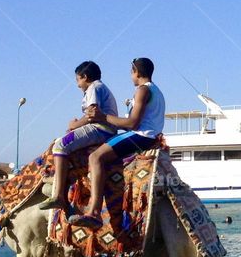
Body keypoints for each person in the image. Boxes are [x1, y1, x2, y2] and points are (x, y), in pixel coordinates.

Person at [69, 58, 165, 228]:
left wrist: (102, 117)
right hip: (147, 135)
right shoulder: (156, 91)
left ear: (136, 72)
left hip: (141, 136)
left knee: (95, 157)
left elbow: (132, 123)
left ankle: (94, 212)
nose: (131, 76)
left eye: (131, 72)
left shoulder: (142, 90)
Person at [39, 61, 118, 211]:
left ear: (85, 77)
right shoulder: (100, 87)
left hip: (100, 129)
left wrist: (74, 125)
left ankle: (58, 196)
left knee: (60, 145)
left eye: (78, 80)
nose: (77, 85)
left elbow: (91, 114)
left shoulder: (94, 87)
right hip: (104, 128)